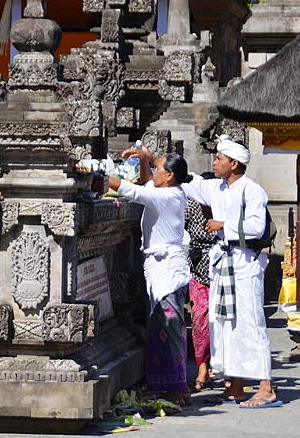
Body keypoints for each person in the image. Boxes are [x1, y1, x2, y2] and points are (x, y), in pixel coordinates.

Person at [182, 135, 280, 408]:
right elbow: (193, 185)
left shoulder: (253, 190)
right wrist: (157, 163)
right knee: (226, 325)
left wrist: (222, 224)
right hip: (224, 265)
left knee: (251, 323)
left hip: (245, 265)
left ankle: (266, 387)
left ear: (234, 163)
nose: (214, 162)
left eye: (219, 159)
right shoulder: (218, 188)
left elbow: (256, 227)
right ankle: (235, 387)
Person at [108, 148, 192, 406]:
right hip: (163, 270)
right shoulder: (167, 191)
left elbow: (135, 191)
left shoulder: (168, 197)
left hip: (167, 272)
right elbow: (146, 184)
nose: (154, 173)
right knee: (163, 328)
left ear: (170, 176)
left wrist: (99, 176)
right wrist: (145, 159)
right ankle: (179, 388)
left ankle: (176, 389)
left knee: (171, 330)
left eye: (158, 169)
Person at [184, 196, 218, 392]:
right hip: (198, 272)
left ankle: (228, 371)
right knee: (199, 318)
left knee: (223, 321)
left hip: (223, 272)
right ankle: (202, 370)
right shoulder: (191, 207)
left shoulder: (223, 203)